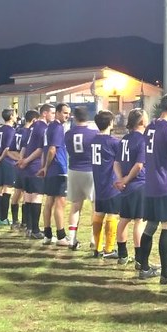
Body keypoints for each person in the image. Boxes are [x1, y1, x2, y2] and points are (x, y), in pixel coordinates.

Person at [140, 94, 167, 283]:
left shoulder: (149, 127)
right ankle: (166, 274)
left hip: (149, 183)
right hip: (166, 183)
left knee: (150, 225)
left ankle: (143, 267)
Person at [116, 108, 148, 266]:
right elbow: (139, 165)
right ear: (142, 121)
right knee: (139, 221)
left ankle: (122, 254)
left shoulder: (124, 139)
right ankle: (140, 259)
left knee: (123, 220)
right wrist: (127, 179)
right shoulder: (142, 140)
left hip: (126, 187)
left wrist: (120, 179)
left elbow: (116, 162)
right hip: (138, 184)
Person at [65, 106, 99, 250]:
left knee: (75, 207)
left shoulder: (68, 134)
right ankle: (94, 239)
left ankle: (72, 239)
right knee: (95, 207)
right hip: (90, 171)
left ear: (74, 116)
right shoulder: (94, 133)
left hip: (74, 170)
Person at [89, 110, 121, 258]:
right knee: (113, 214)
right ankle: (109, 249)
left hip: (98, 182)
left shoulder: (93, 140)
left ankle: (97, 247)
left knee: (99, 213)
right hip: (111, 183)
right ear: (110, 123)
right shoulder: (113, 142)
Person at [38, 102, 70, 245]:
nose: (67, 116)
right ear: (57, 112)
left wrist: (44, 166)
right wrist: (46, 166)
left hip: (51, 169)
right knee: (60, 202)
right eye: (64, 113)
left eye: (68, 113)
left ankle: (47, 235)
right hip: (58, 168)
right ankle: (61, 236)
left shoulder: (48, 127)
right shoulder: (57, 127)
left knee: (49, 201)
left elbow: (45, 149)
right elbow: (52, 149)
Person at [18, 107, 49, 240]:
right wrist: (26, 160)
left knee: (28, 197)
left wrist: (21, 160)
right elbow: (40, 149)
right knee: (36, 197)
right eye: (52, 113)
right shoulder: (43, 128)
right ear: (45, 113)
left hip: (26, 168)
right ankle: (35, 230)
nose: (53, 116)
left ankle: (29, 227)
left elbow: (24, 146)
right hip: (34, 166)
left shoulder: (30, 127)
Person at [0, 109, 18, 226]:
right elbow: (7, 149)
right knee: (7, 189)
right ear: (11, 116)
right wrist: (1, 158)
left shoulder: (0, 129)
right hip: (8, 162)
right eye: (15, 114)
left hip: (0, 161)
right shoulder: (11, 130)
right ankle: (3, 218)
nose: (16, 116)